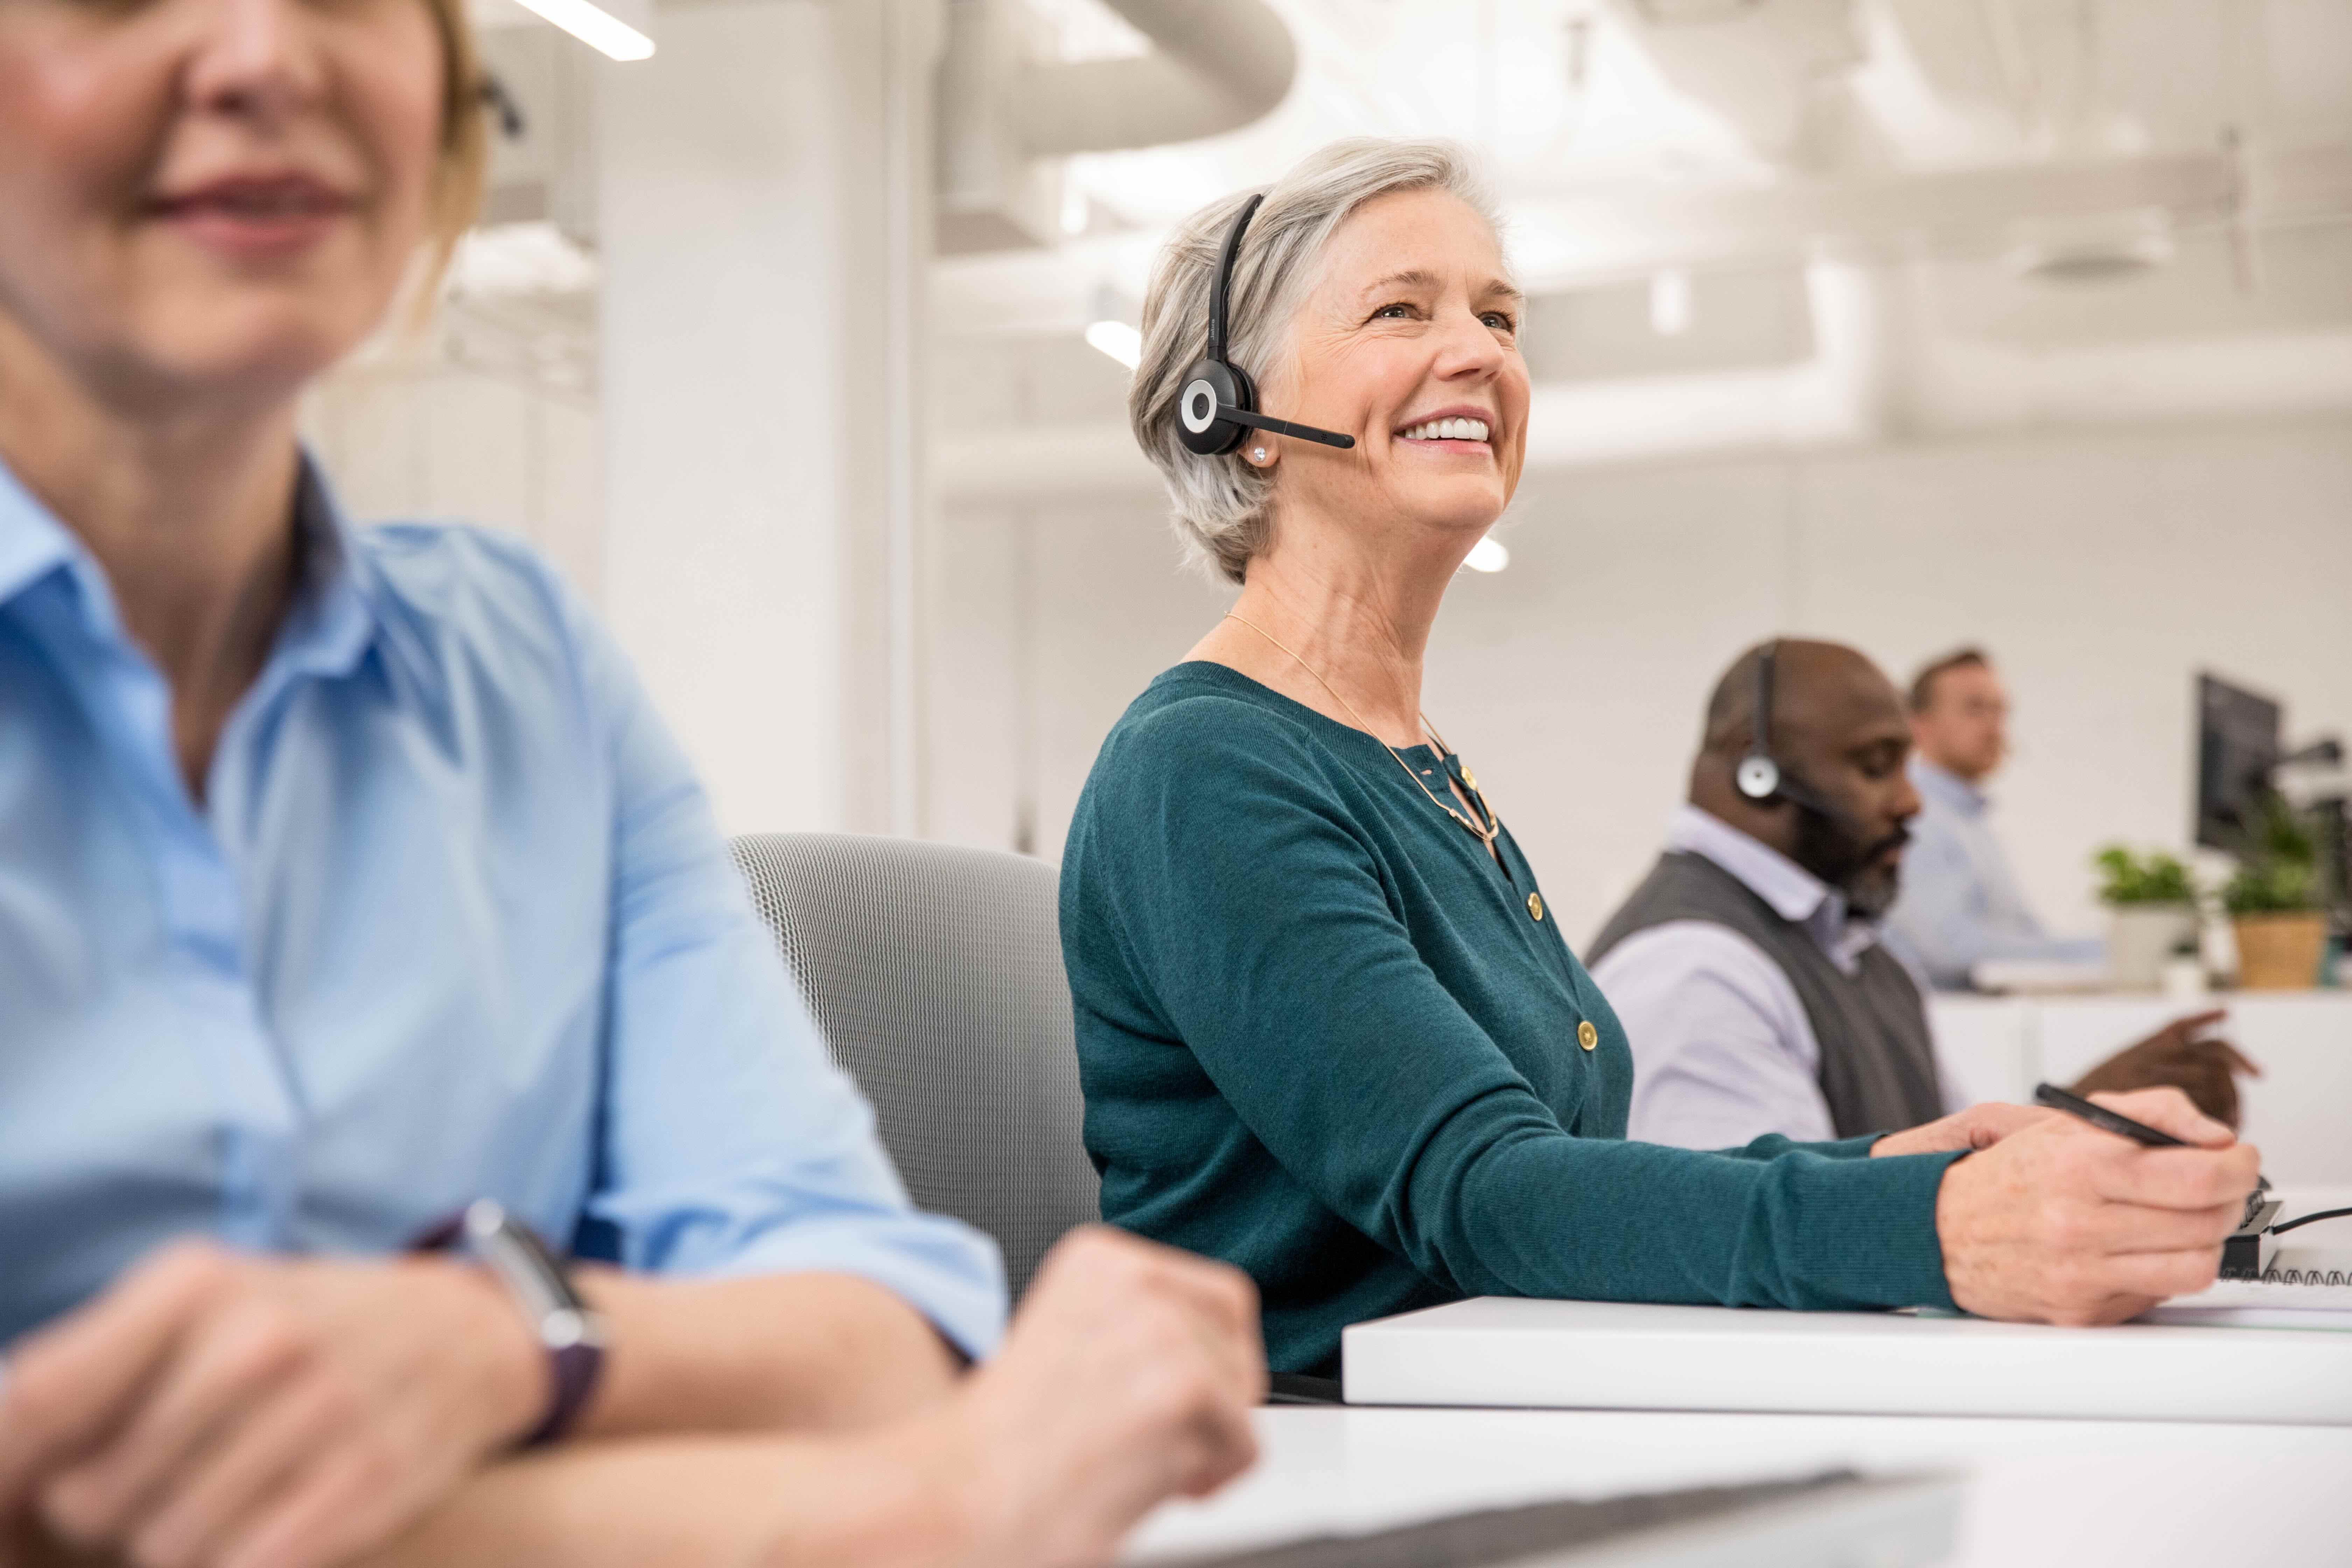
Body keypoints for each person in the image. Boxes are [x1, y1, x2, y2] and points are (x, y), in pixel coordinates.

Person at [0, 0, 1260, 1560]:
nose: (265, 53)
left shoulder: (515, 671)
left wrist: (491, 1345)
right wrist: (929, 1505)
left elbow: (879, 1326)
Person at [1060, 137, 2260, 1384]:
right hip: (1296, 1457)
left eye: (1499, 316)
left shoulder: (1419, 768)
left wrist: (1919, 1164)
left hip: (1486, 1406)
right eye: (1398, 308)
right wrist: (1940, 1234)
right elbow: (1480, 1193)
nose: (1478, 351)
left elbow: (1554, 1167)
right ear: (1231, 410)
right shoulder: (1204, 766)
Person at [1587, 641, 2260, 1152]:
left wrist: (2084, 1109)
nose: (1911, 801)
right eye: (1877, 766)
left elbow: (1942, 1158)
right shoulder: (1694, 968)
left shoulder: (1861, 957)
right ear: (1753, 770)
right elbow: (1783, 1236)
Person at [1884, 648, 2106, 990]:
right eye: (1975, 709)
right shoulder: (1916, 815)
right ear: (1918, 725)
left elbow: (2025, 934)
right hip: (1948, 1028)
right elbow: (1951, 948)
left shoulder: (1969, 823)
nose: (1994, 726)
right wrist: (2107, 953)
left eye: (2000, 710)